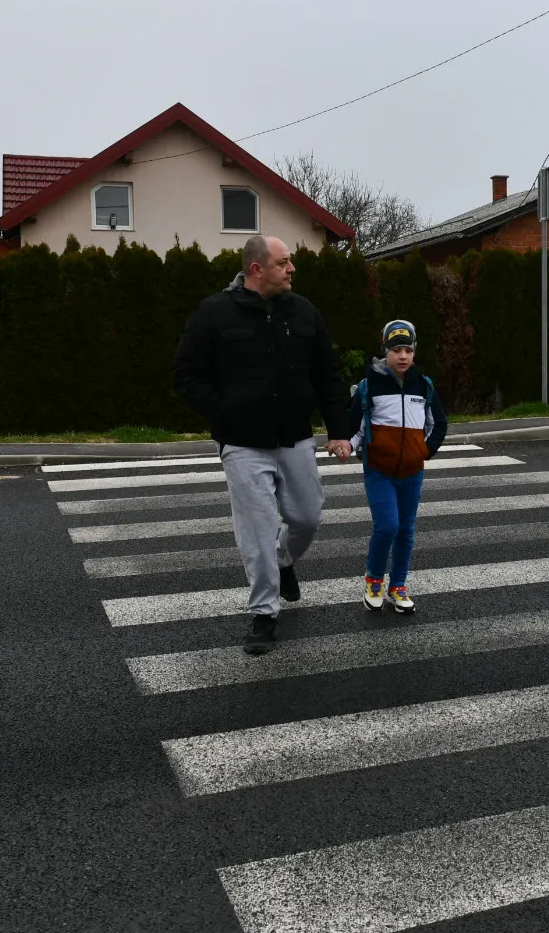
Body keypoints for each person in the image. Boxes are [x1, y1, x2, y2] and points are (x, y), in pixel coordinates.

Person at [173, 235, 354, 656]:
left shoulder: (304, 312)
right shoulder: (214, 314)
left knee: (307, 518)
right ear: (258, 269)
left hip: (295, 436)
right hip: (242, 444)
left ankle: (285, 561)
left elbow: (327, 376)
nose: (292, 269)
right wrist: (224, 413)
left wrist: (340, 430)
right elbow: (186, 375)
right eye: (284, 262)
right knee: (257, 529)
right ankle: (264, 612)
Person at [346, 319, 447, 614]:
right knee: (387, 525)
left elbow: (437, 424)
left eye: (407, 350)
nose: (402, 356)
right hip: (379, 470)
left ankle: (398, 586)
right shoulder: (369, 386)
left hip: (412, 472)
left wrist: (424, 452)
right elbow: (357, 428)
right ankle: (374, 580)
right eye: (395, 350)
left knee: (405, 530)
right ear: (384, 352)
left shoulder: (424, 385)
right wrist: (346, 446)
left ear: (414, 352)